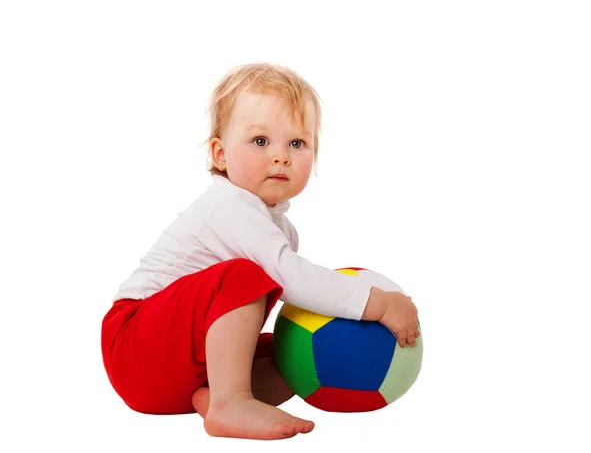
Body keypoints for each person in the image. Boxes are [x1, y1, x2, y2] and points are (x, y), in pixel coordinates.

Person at [101, 63, 420, 441]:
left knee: (289, 354)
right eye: (260, 141)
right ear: (220, 154)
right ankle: (231, 403)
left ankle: (215, 397)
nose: (281, 156)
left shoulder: (280, 229)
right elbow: (292, 278)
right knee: (245, 275)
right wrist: (377, 304)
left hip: (179, 377)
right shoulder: (230, 206)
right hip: (134, 342)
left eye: (297, 143)